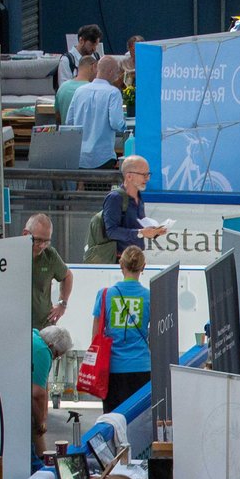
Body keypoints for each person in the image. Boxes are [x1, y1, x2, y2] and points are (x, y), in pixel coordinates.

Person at [92, 246, 152, 413]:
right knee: (139, 421)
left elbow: (96, 336)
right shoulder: (150, 297)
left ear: (121, 264)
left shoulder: (105, 295)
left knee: (112, 421)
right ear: (143, 267)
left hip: (112, 368)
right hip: (142, 366)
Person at [89, 155, 166, 263]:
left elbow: (138, 224)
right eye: (143, 175)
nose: (147, 178)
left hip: (135, 259)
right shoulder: (115, 198)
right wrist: (141, 233)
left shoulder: (138, 196)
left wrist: (154, 231)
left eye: (148, 174)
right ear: (129, 176)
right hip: (119, 261)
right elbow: (111, 231)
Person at [69, 56, 128, 169]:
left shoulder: (79, 91)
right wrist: (125, 126)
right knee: (102, 186)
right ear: (111, 72)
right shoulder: (113, 93)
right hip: (103, 156)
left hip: (80, 156)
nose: (118, 76)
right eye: (117, 72)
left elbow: (69, 121)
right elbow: (116, 123)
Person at [24, 213, 73, 330]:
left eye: (46, 241)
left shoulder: (50, 255)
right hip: (18, 327)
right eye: (38, 240)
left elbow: (68, 276)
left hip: (43, 326)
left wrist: (63, 303)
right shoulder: (11, 255)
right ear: (26, 234)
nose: (42, 246)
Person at [54, 56, 96, 131]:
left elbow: (58, 116)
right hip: (87, 139)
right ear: (93, 67)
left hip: (66, 137)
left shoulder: (62, 87)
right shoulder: (94, 90)